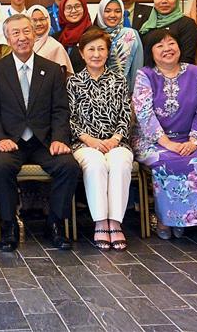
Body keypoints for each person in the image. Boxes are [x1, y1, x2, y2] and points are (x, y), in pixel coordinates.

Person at [0, 14, 80, 252]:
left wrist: (59, 139)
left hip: (43, 141)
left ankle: (55, 224)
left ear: (35, 34)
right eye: (15, 33)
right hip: (10, 140)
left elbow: (60, 110)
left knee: (68, 166)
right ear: (7, 38)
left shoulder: (52, 69)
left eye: (26, 31)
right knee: (1, 166)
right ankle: (9, 225)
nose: (22, 37)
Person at [132, 29, 197, 239]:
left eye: (171, 43)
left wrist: (194, 141)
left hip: (190, 139)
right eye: (160, 45)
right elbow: (144, 113)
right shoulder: (145, 75)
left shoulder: (196, 72)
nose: (167, 49)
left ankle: (186, 220)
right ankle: (165, 219)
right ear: (151, 51)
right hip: (152, 141)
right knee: (167, 161)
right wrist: (166, 143)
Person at [67, 28, 134, 251]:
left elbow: (126, 114)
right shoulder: (73, 82)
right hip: (84, 144)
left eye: (101, 49)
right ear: (81, 53)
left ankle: (115, 222)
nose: (96, 54)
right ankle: (100, 222)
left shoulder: (119, 80)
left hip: (116, 142)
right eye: (91, 49)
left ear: (108, 52)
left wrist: (115, 139)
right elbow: (69, 118)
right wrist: (90, 140)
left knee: (120, 163)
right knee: (95, 164)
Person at [139, 0, 197, 66]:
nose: (164, 1)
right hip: (148, 72)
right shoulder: (147, 25)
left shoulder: (187, 24)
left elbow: (187, 59)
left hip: (178, 73)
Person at [95, 0, 143, 88]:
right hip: (97, 91)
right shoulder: (94, 36)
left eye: (117, 11)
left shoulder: (130, 34)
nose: (113, 15)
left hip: (125, 90)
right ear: (101, 13)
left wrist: (135, 91)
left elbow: (137, 66)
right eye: (107, 11)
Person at [27, 5, 72, 74]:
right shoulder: (24, 45)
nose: (38, 24)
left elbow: (63, 74)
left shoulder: (56, 47)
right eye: (34, 20)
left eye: (42, 19)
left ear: (48, 20)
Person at [55, 0, 91, 73]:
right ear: (62, 11)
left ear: (84, 8)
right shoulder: (56, 38)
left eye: (77, 6)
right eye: (68, 8)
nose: (74, 11)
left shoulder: (93, 35)